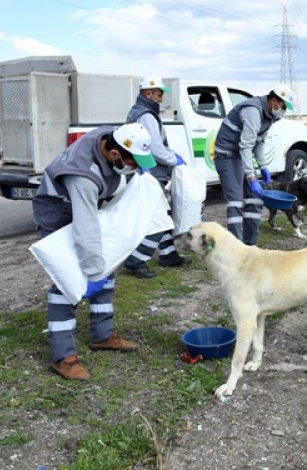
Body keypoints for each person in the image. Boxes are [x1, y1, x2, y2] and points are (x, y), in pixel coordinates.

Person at [32, 123, 157, 381]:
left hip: (87, 208)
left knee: (105, 266)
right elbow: (85, 228)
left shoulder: (112, 137)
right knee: (67, 283)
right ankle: (63, 356)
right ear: (114, 155)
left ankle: (102, 336)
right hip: (57, 214)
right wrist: (91, 271)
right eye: (133, 163)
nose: (134, 168)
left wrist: (99, 269)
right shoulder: (82, 176)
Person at [122, 75, 191, 279]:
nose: (162, 98)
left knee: (163, 215)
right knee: (158, 219)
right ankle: (136, 259)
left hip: (144, 172)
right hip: (149, 174)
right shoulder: (147, 115)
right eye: (160, 94)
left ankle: (168, 255)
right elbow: (155, 149)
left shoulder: (141, 112)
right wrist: (174, 160)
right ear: (148, 93)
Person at [214, 84, 294, 245]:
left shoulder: (269, 116)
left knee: (255, 199)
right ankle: (235, 249)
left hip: (239, 155)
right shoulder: (253, 111)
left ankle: (250, 246)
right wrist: (251, 178)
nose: (283, 111)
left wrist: (263, 167)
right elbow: (246, 145)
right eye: (283, 106)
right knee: (236, 202)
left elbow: (259, 143)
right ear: (274, 101)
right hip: (227, 156)